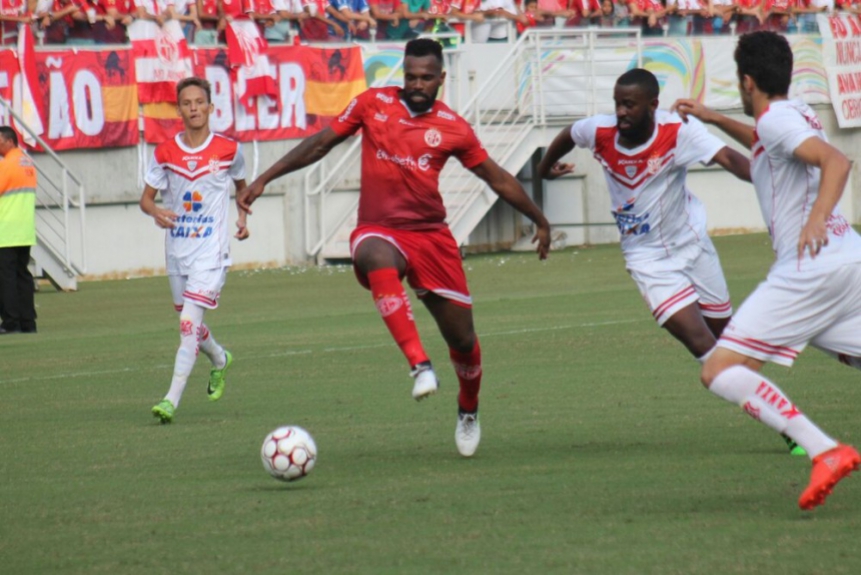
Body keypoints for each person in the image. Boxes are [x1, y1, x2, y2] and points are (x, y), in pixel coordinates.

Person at [238, 39, 551, 457]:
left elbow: (497, 179)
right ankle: (419, 365)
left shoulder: (454, 127)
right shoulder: (372, 104)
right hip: (379, 228)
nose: (416, 84)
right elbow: (320, 143)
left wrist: (540, 219)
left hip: (431, 238)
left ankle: (468, 409)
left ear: (442, 78)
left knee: (463, 341)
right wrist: (264, 179)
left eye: (425, 77)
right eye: (410, 76)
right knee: (372, 256)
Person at [535, 70, 808, 455]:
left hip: (694, 248)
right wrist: (544, 170)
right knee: (705, 349)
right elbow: (568, 135)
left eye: (629, 104)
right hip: (648, 260)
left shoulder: (678, 133)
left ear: (652, 105)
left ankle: (775, 408)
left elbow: (730, 158)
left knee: (728, 340)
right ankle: (790, 426)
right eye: (617, 103)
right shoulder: (599, 131)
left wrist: (778, 183)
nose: (621, 112)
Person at [672, 31, 861, 510]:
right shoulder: (792, 112)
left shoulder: (778, 121)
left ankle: (824, 450)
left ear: (747, 81)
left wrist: (815, 217)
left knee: (721, 369)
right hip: (848, 259)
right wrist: (715, 118)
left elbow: (837, 161)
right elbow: (766, 142)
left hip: (810, 269)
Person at [140, 77, 250, 424]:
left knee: (188, 322)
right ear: (179, 110)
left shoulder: (229, 150)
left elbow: (242, 189)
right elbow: (145, 199)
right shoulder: (164, 152)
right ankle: (219, 358)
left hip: (211, 252)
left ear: (210, 108)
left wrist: (243, 218)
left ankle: (170, 399)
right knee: (190, 324)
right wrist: (156, 212)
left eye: (199, 102)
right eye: (186, 103)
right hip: (177, 251)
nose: (193, 108)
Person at [0, 126, 38, 335]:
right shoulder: (28, 162)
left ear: (9, 141)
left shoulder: (7, 165)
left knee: (6, 278)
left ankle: (10, 322)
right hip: (25, 229)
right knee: (23, 276)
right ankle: (28, 322)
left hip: (6, 230)